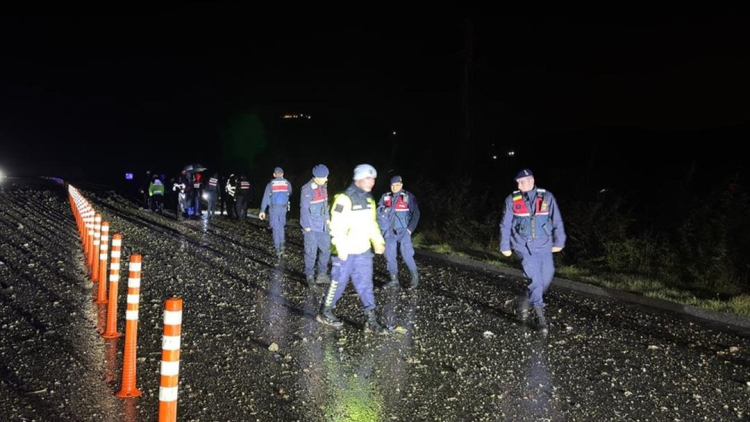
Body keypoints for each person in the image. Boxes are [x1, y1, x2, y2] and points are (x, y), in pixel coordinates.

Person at [316, 164, 389, 335]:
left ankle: (371, 321)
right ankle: (324, 312)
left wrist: (378, 241)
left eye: (373, 179)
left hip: (363, 250)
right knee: (338, 283)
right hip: (345, 251)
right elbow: (336, 225)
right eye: (368, 178)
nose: (371, 182)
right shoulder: (344, 199)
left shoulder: (369, 199)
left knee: (365, 285)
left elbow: (372, 223)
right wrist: (341, 246)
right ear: (358, 179)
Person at [499, 168, 566, 334]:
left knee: (546, 278)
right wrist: (505, 246)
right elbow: (505, 224)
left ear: (531, 181)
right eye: (517, 182)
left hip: (544, 245)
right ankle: (539, 315)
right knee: (536, 280)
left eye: (521, 182)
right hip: (523, 246)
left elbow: (556, 220)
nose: (518, 185)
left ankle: (522, 301)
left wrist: (559, 241)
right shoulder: (512, 200)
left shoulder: (547, 197)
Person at [377, 175, 421, 289]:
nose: (394, 188)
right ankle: (394, 281)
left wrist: (410, 229)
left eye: (397, 185)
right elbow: (378, 213)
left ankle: (415, 278)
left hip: (403, 231)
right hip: (389, 232)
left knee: (407, 254)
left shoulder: (408, 197)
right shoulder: (385, 197)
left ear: (401, 185)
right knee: (389, 255)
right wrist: (383, 230)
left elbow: (416, 214)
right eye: (392, 185)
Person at [300, 164, 331, 286]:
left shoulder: (323, 187)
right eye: (324, 177)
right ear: (317, 177)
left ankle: (321, 274)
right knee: (311, 252)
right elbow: (304, 208)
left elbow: (325, 205)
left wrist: (327, 219)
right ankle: (310, 275)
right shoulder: (307, 189)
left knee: (326, 250)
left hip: (323, 226)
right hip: (311, 227)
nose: (326, 179)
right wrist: (306, 225)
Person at [259, 167, 292, 258]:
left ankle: (277, 250)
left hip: (274, 208)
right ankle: (282, 248)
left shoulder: (271, 184)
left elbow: (265, 197)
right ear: (282, 174)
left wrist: (262, 210)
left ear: (274, 175)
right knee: (281, 227)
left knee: (275, 228)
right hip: (283, 208)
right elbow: (290, 193)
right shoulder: (287, 183)